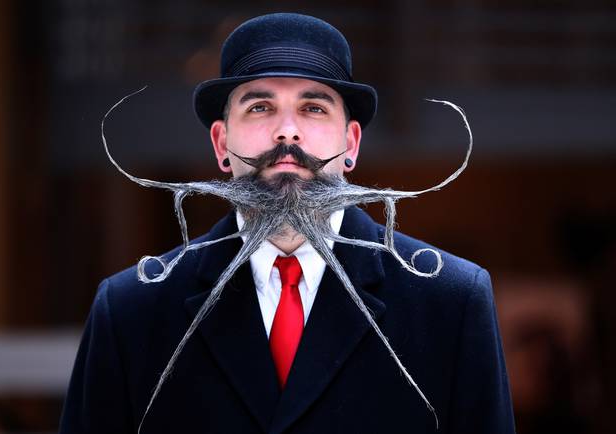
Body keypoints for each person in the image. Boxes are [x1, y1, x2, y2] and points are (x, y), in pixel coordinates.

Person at [59, 12, 515, 434]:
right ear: (221, 142)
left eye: (314, 108)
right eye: (260, 107)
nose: (287, 132)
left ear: (351, 142)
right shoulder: (132, 309)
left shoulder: (450, 301)